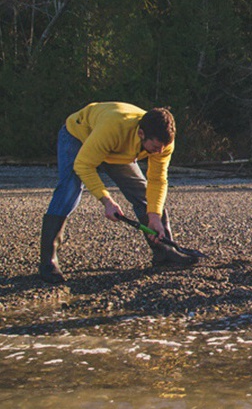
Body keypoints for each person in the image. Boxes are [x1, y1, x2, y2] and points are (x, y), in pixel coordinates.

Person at [38, 102, 197, 283]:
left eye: (163, 147)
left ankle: (166, 252)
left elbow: (157, 179)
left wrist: (154, 215)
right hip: (79, 136)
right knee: (70, 190)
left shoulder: (163, 141)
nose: (160, 152)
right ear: (141, 134)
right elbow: (84, 165)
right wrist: (106, 200)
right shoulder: (114, 127)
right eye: (155, 147)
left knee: (144, 195)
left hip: (117, 150)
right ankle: (48, 262)